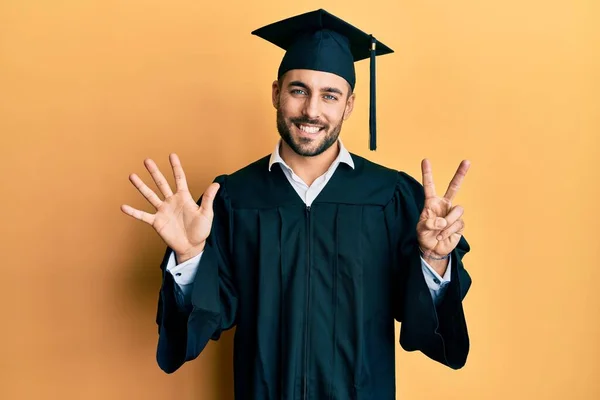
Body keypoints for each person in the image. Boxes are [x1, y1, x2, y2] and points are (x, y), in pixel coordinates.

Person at [121, 9, 472, 399]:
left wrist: (434, 260)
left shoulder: (390, 196)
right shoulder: (233, 198)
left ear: (350, 104)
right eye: (298, 90)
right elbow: (205, 321)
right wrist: (190, 258)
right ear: (276, 93)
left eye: (330, 95)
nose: (311, 111)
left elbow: (423, 320)